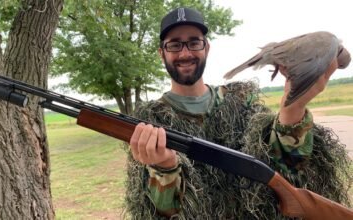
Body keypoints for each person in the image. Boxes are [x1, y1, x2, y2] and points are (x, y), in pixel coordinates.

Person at [124, 7, 351, 219]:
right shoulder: (148, 121)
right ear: (161, 53)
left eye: (194, 43)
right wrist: (164, 168)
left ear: (206, 48)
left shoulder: (242, 99)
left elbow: (287, 171)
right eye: (174, 45)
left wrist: (293, 110)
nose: (185, 53)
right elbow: (161, 212)